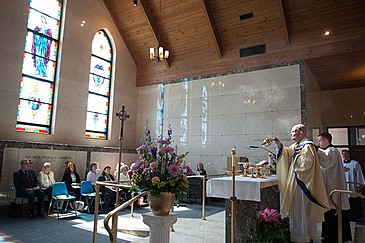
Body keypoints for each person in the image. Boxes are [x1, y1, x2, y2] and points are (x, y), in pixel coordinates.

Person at [273, 124, 329, 242]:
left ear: (301, 133)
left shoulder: (308, 146)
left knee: (303, 211)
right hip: (296, 183)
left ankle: (304, 237)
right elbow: (287, 154)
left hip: (303, 184)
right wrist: (279, 145)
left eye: (293, 131)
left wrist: (295, 156)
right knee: (298, 211)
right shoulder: (296, 146)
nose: (291, 133)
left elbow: (307, 163)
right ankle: (300, 236)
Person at [316, 132, 351, 242]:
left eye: (319, 140)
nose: (319, 143)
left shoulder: (332, 151)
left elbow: (326, 162)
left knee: (333, 214)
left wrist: (315, 149)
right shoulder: (329, 151)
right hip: (329, 188)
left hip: (334, 189)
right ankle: (328, 235)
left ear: (326, 140)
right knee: (329, 214)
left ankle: (334, 237)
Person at [342, 149, 365, 221]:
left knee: (354, 200)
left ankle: (356, 216)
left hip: (353, 186)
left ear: (349, 154)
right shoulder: (340, 164)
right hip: (344, 186)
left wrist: (359, 185)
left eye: (346, 154)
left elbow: (359, 174)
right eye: (343, 154)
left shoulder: (355, 163)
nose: (344, 155)